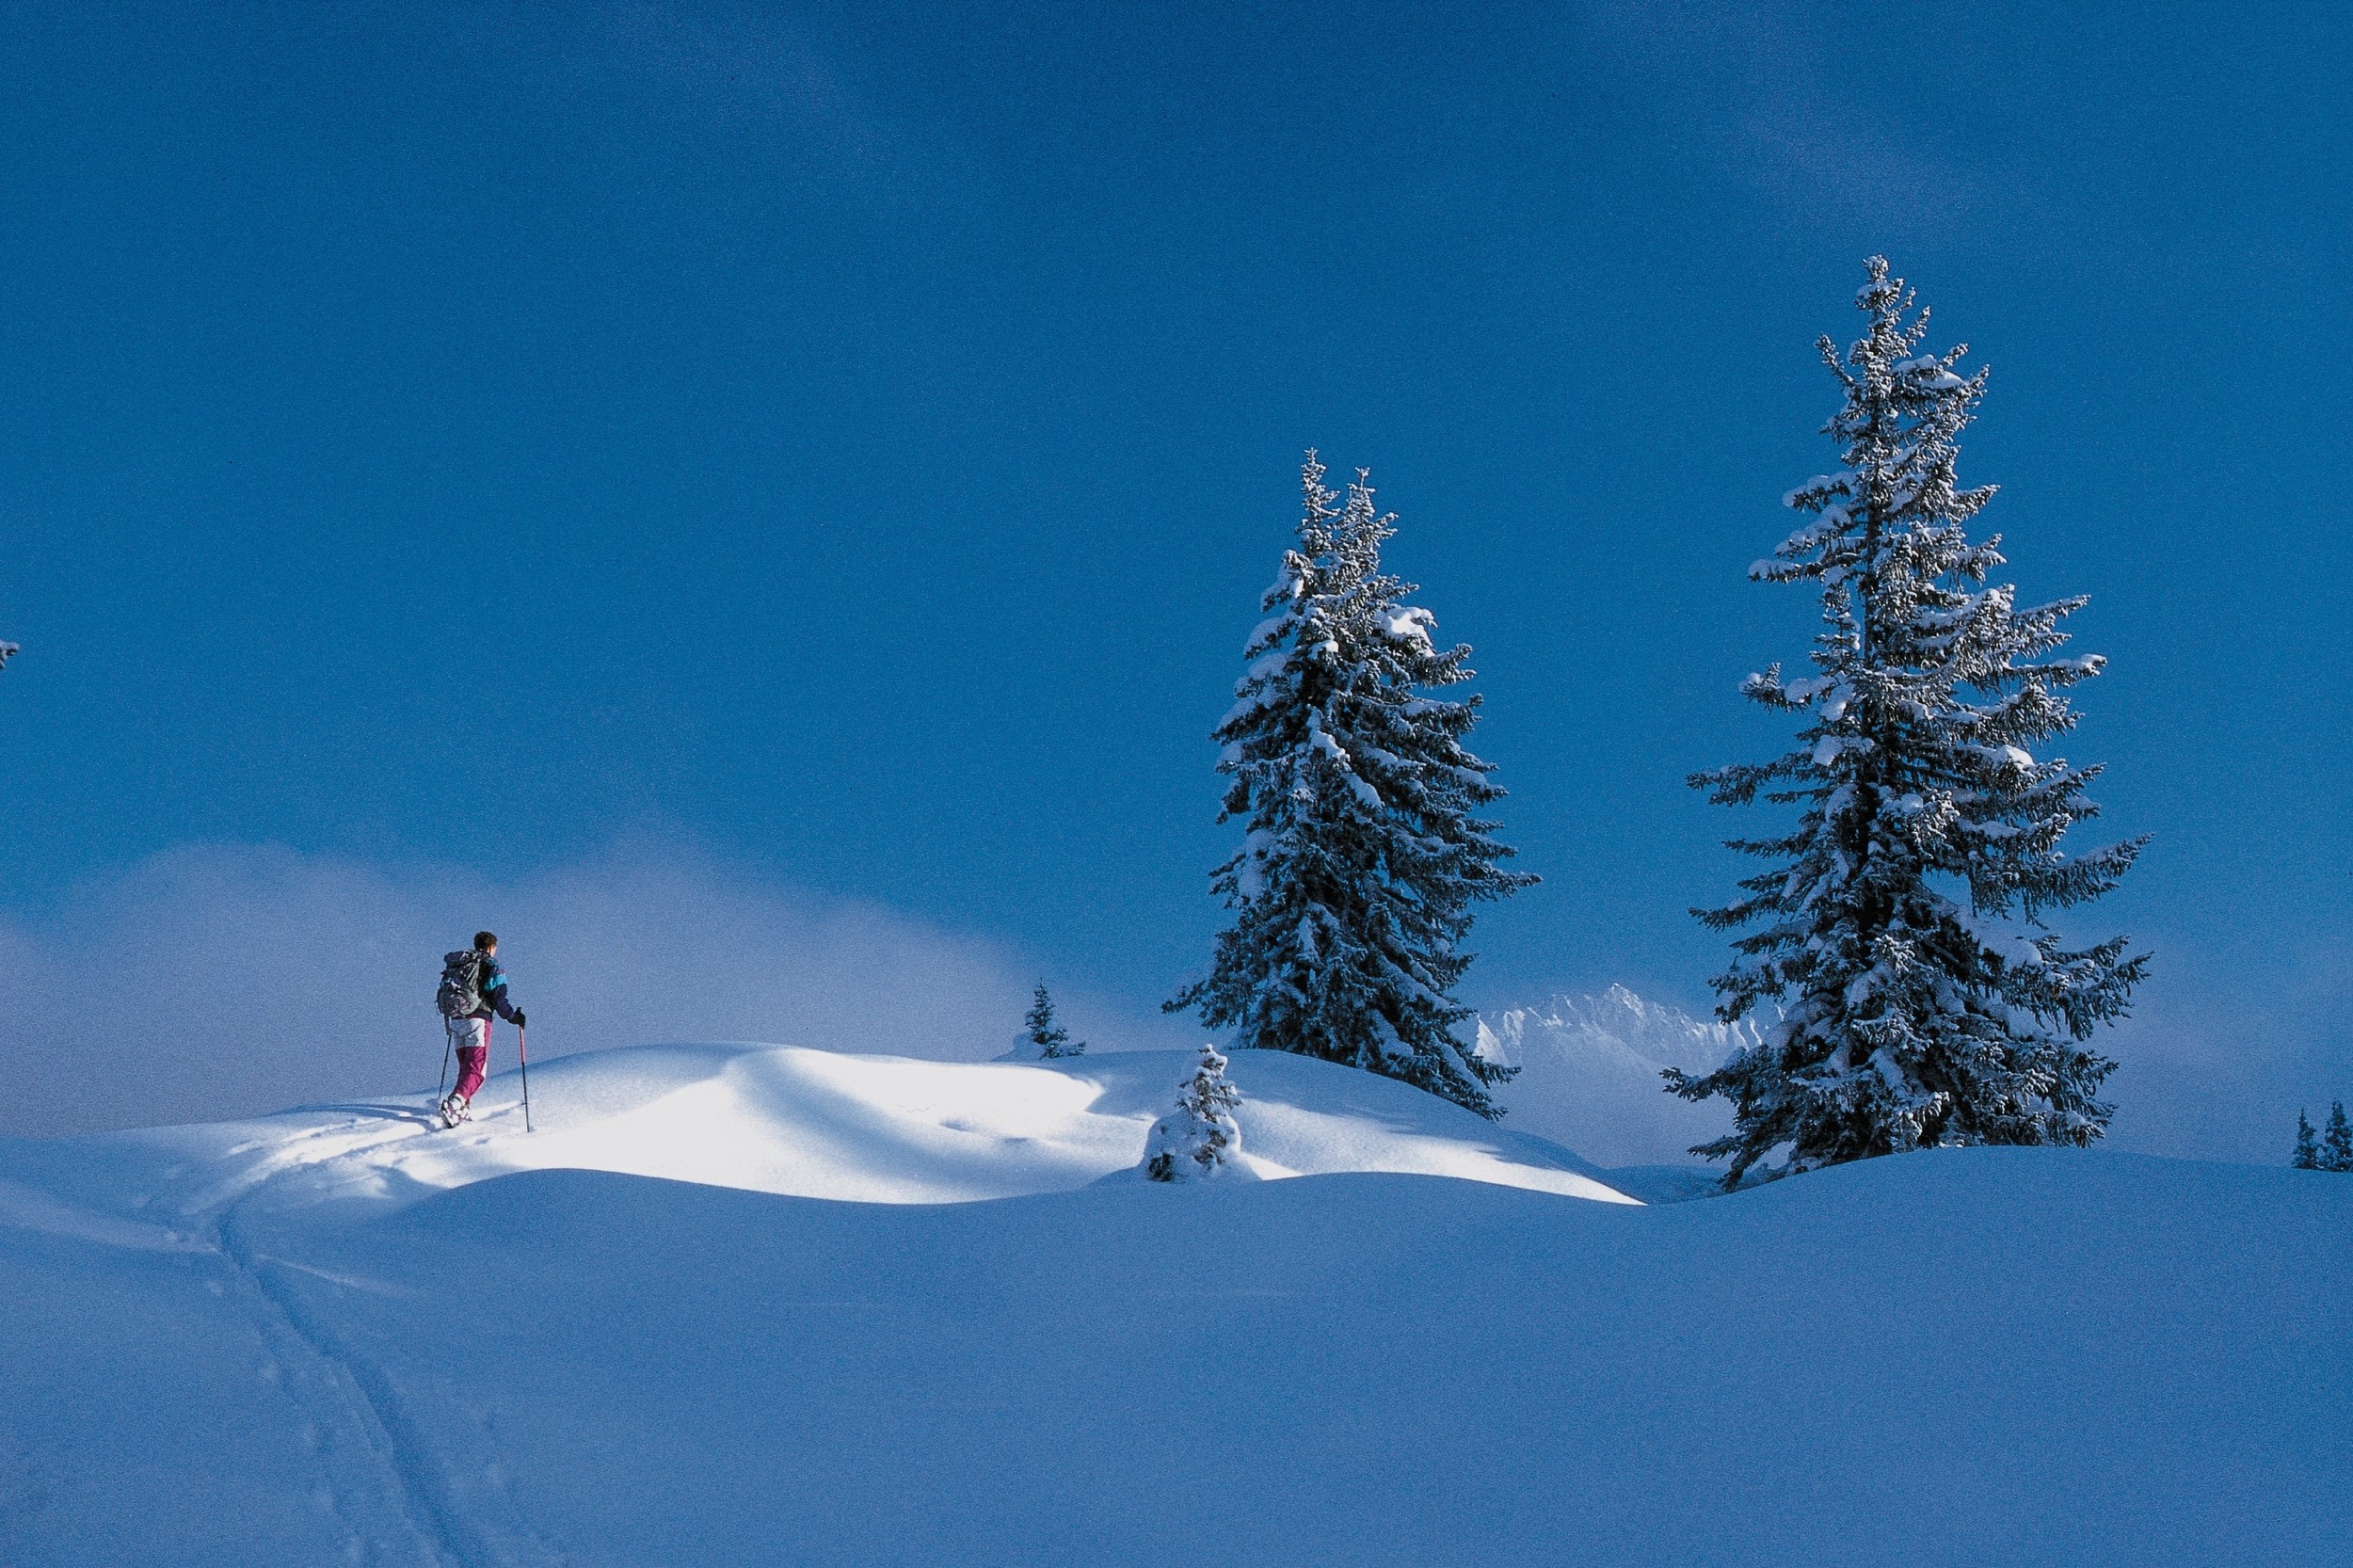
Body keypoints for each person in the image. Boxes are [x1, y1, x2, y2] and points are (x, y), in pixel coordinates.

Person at [440, 930, 525, 1128]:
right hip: (478, 1020)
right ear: (492, 947)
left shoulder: (462, 963)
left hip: (456, 1019)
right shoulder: (491, 964)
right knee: (477, 1071)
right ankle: (455, 1104)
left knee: (465, 1067)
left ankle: (461, 1107)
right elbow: (498, 996)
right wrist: (513, 1016)